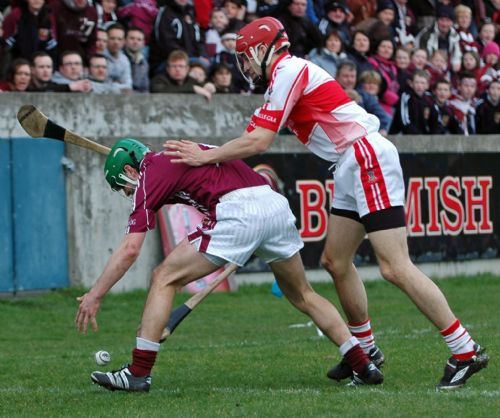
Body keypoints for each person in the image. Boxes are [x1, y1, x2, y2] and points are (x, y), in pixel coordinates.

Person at [164, 16, 489, 390]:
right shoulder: (280, 81)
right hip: (349, 162)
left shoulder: (288, 71)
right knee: (335, 261)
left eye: (246, 57)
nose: (245, 67)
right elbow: (248, 137)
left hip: (364, 155)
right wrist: (202, 157)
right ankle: (365, 350)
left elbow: (259, 142)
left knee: (394, 266)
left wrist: (205, 157)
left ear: (262, 49)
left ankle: (464, 350)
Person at [77, 138, 384, 392]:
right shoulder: (181, 152)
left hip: (237, 211)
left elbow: (130, 249)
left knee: (164, 277)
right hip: (273, 205)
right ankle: (363, 364)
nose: (128, 194)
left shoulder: (150, 174)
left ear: (130, 169)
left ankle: (138, 373)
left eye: (125, 186)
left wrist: (95, 294)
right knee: (303, 294)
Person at [389, 69, 433, 134]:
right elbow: (404, 121)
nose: (419, 86)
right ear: (411, 84)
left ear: (427, 85)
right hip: (403, 135)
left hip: (423, 135)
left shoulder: (430, 97)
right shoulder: (406, 96)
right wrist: (418, 135)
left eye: (422, 83)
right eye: (416, 82)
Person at [104, 23, 133, 92]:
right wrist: (118, 85)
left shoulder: (124, 60)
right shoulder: (99, 57)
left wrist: (112, 85)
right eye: (112, 38)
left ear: (124, 41)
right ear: (106, 39)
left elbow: (128, 86)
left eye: (119, 39)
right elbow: (99, 85)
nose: (116, 42)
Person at [124, 26, 149, 93]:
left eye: (139, 39)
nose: (135, 42)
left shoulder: (144, 62)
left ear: (143, 43)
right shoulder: (120, 58)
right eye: (132, 38)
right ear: (125, 40)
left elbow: (145, 88)